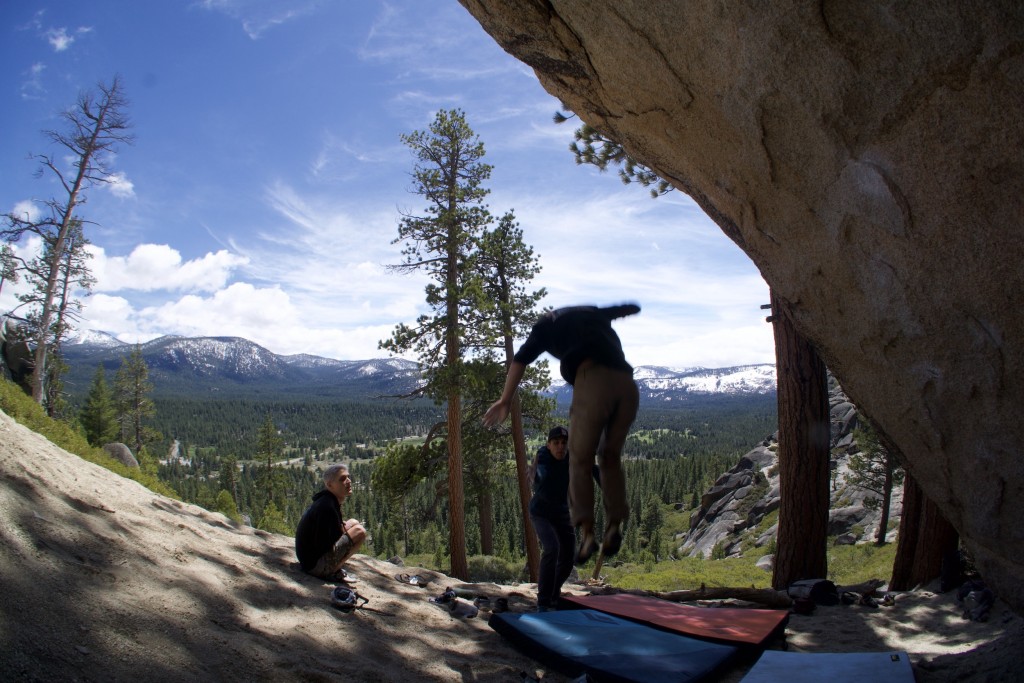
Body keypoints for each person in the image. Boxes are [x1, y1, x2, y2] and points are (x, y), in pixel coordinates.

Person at [483, 304, 641, 565]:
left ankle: (588, 533)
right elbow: (629, 308)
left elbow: (520, 360)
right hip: (627, 384)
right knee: (610, 457)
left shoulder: (545, 326)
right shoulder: (593, 312)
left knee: (579, 458)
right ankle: (614, 525)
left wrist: (505, 400)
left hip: (593, 380)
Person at [529, 425, 575, 611]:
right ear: (548, 445)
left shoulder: (570, 458)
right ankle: (543, 601)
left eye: (564, 443)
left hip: (561, 512)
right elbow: (540, 470)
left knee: (569, 555)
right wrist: (536, 474)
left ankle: (553, 594)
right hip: (540, 513)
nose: (560, 447)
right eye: (556, 443)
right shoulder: (543, 457)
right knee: (552, 548)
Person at [295, 464, 367, 581]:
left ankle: (332, 567)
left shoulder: (327, 500)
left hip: (309, 560)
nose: (348, 481)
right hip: (314, 566)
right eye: (342, 479)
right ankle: (333, 571)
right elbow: (323, 545)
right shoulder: (327, 507)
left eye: (348, 477)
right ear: (330, 485)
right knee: (359, 531)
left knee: (353, 523)